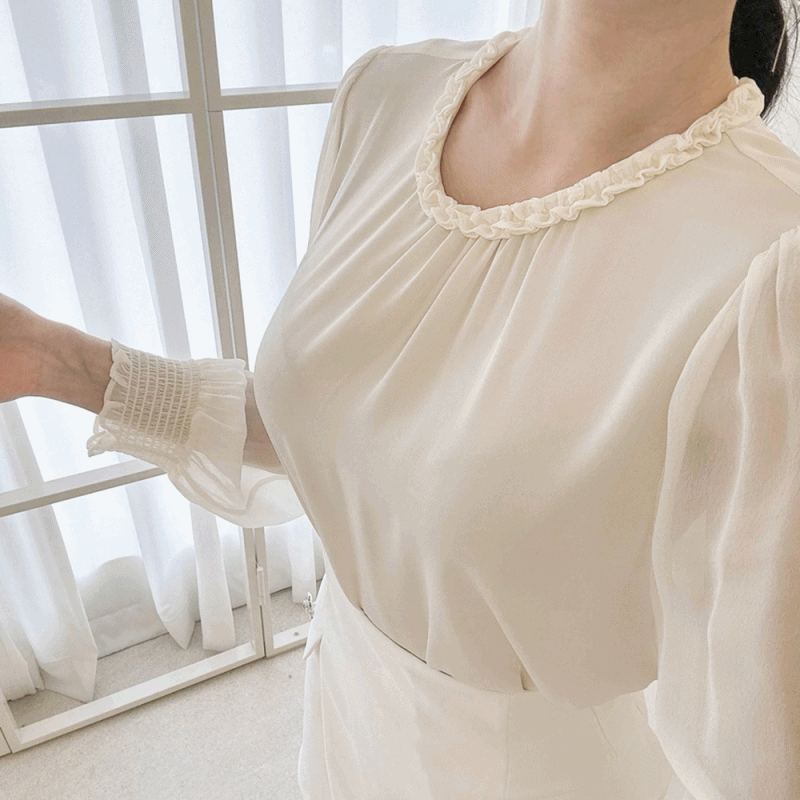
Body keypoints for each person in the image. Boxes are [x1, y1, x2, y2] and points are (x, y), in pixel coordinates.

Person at [1, 1, 799, 797]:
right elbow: (347, 447)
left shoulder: (772, 269)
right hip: (342, 716)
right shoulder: (385, 97)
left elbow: (762, 740)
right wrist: (50, 359)